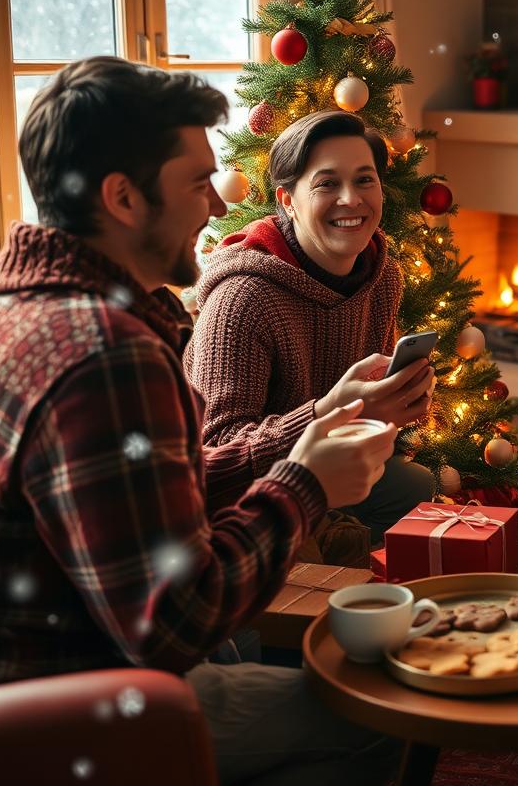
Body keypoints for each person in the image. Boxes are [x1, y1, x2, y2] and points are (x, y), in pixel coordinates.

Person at [0, 58, 398, 786]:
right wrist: (302, 486)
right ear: (121, 198)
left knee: (249, 666)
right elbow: (177, 621)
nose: (217, 207)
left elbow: (133, 494)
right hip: (73, 705)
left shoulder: (23, 312)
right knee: (379, 722)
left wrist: (294, 451)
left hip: (62, 658)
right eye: (195, 182)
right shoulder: (108, 356)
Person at [185, 111, 435, 543]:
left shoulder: (382, 275)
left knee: (415, 486)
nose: (351, 199)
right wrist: (333, 413)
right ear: (287, 200)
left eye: (364, 180)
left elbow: (365, 409)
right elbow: (216, 449)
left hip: (333, 464)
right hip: (247, 497)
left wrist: (397, 401)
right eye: (326, 184)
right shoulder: (243, 299)